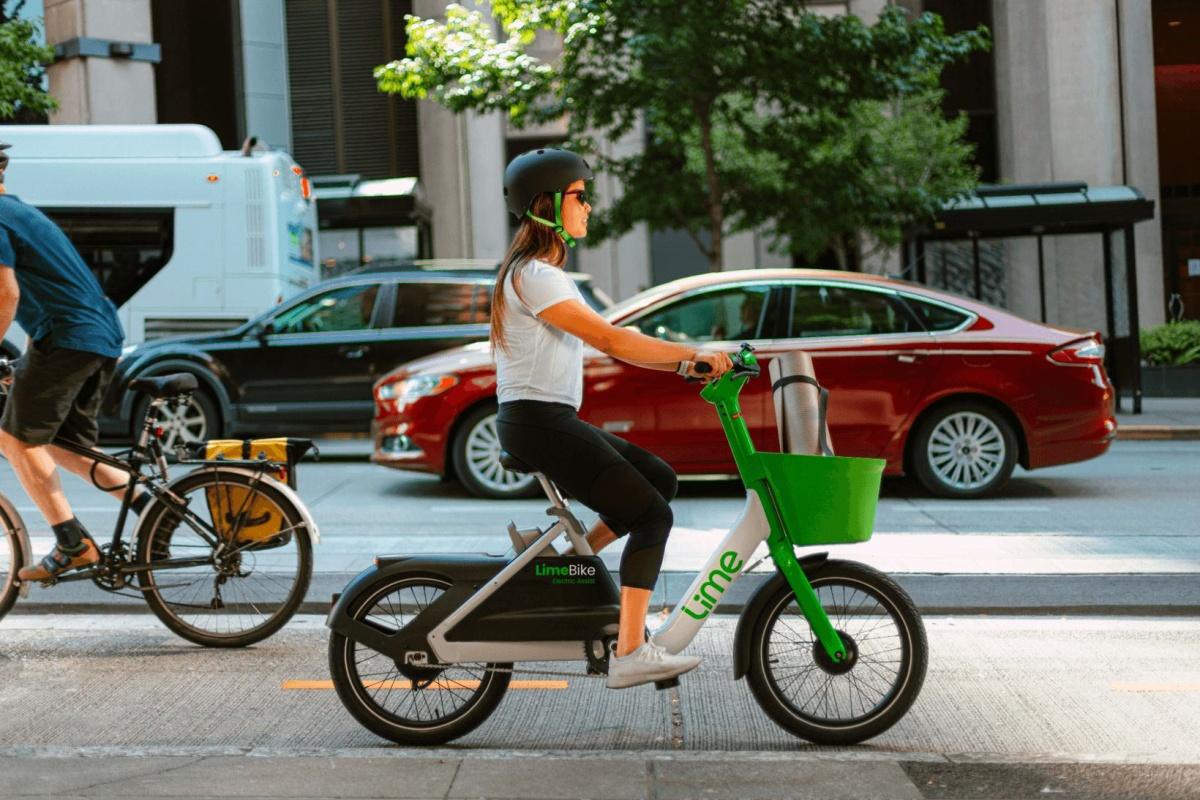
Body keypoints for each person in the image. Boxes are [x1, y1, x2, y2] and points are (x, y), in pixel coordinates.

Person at [493, 147, 733, 690]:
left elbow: (614, 342)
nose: (589, 206)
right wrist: (686, 356)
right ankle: (629, 652)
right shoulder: (536, 275)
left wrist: (681, 363)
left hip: (540, 419)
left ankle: (559, 569)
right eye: (579, 196)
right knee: (653, 516)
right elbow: (610, 339)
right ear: (547, 205)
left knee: (658, 481)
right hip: (539, 422)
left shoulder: (537, 273)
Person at [0, 141, 147, 583]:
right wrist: (27, 361)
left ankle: (72, 545)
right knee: (68, 447)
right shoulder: (21, 212)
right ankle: (155, 511)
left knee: (15, 441)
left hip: (70, 339)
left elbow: (8, 294)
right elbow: (49, 291)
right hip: (97, 336)